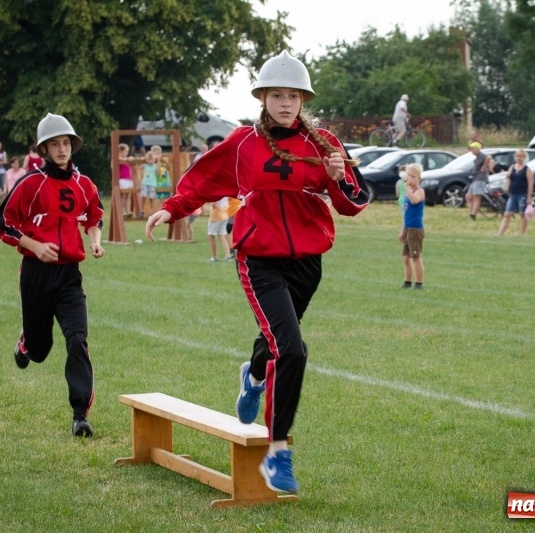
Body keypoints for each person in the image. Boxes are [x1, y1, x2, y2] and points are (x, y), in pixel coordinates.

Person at [145, 51, 368, 493]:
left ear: (304, 99)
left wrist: (339, 177)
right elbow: (202, 178)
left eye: (294, 95)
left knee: (277, 344)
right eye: (277, 95)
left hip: (307, 261)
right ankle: (277, 453)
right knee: (293, 349)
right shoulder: (244, 142)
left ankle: (252, 375)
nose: (286, 103)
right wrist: (172, 209)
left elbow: (354, 203)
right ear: (262, 97)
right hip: (258, 257)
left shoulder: (324, 143)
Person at [0, 113, 104, 437]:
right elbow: (4, 223)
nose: (62, 149)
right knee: (41, 351)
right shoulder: (30, 183)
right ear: (44, 150)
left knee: (77, 340)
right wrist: (34, 245)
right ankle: (27, 342)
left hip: (70, 275)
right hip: (36, 273)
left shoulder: (84, 184)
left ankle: (79, 414)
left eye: (66, 143)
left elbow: (94, 216)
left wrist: (95, 241)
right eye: (55, 144)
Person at [398, 163, 425, 289]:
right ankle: (407, 281)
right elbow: (405, 212)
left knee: (416, 256)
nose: (410, 178)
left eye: (413, 176)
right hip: (408, 228)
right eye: (408, 175)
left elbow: (415, 200)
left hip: (416, 228)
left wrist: (407, 188)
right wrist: (402, 230)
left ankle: (418, 283)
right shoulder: (407, 193)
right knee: (405, 257)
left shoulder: (419, 191)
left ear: (419, 178)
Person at [497, 149, 534, 236]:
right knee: (507, 214)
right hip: (512, 194)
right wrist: (508, 176)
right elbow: (508, 176)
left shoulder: (527, 169)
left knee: (522, 215)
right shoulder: (512, 167)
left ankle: (521, 234)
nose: (519, 158)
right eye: (517, 156)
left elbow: (530, 183)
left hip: (522, 194)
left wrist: (529, 197)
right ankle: (500, 233)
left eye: (521, 156)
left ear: (524, 158)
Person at [465, 142, 490, 221]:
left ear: (477, 148)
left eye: (473, 148)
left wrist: (484, 166)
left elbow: (489, 157)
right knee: (468, 197)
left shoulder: (482, 155)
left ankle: (473, 215)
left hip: (480, 179)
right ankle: (472, 212)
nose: (471, 150)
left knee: (476, 197)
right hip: (475, 179)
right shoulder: (477, 157)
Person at [207, 197, 232, 262]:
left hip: (216, 215)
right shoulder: (226, 191)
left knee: (211, 236)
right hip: (224, 213)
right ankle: (227, 255)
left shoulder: (215, 192)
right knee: (222, 236)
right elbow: (229, 199)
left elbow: (214, 204)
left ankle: (214, 256)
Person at [117, 143, 136, 216]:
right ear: (121, 151)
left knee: (128, 196)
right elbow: (120, 160)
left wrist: (130, 159)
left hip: (129, 180)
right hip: (122, 179)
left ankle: (128, 211)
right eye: (125, 151)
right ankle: (120, 211)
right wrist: (128, 159)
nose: (126, 153)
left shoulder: (126, 159)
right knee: (123, 196)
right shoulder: (118, 158)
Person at [139, 150, 160, 218]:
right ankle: (142, 210)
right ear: (146, 159)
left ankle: (151, 211)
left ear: (154, 159)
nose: (150, 161)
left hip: (152, 183)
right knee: (143, 197)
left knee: (151, 198)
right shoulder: (145, 165)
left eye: (152, 159)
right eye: (149, 159)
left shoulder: (155, 165)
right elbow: (138, 166)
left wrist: (158, 162)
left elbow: (157, 173)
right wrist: (141, 160)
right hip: (145, 183)